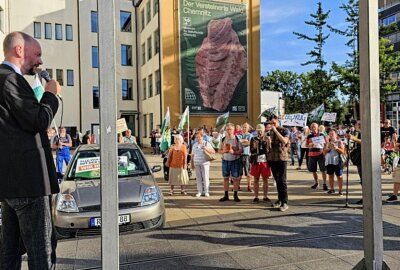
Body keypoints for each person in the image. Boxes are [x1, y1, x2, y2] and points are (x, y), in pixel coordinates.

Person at [0, 31, 61, 269]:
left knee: (10, 252)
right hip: (28, 184)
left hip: (12, 186)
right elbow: (38, 120)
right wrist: (51, 95)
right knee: (42, 253)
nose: (40, 62)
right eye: (37, 54)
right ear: (19, 50)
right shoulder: (9, 80)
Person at [266, 114, 290, 211]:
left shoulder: (285, 130)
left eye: (273, 123)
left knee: (282, 180)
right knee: (277, 180)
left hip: (281, 158)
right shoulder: (270, 132)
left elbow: (284, 141)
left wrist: (275, 130)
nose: (272, 124)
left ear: (277, 121)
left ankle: (285, 202)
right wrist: (267, 141)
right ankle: (279, 200)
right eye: (270, 123)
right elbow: (268, 147)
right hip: (272, 158)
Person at [219, 123, 243, 202]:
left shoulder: (237, 139)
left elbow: (241, 150)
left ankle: (235, 195)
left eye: (230, 129)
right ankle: (226, 195)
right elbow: (219, 150)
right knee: (225, 178)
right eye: (228, 129)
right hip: (225, 160)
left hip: (235, 160)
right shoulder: (223, 139)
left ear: (233, 130)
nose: (229, 131)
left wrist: (233, 152)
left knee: (235, 179)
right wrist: (224, 151)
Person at [250, 124, 271, 203]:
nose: (259, 131)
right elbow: (251, 150)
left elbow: (269, 150)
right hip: (256, 161)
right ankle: (256, 196)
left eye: (261, 130)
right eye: (258, 130)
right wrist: (255, 147)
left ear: (264, 130)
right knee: (256, 179)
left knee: (265, 179)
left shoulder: (267, 139)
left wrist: (268, 142)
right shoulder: (253, 139)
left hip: (265, 161)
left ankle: (265, 196)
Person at [191, 130, 215, 197]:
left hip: (205, 163)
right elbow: (192, 155)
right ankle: (199, 191)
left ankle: (206, 191)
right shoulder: (194, 145)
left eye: (199, 137)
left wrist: (206, 148)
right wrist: (192, 163)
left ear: (202, 137)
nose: (198, 138)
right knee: (198, 178)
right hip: (197, 163)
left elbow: (213, 151)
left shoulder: (206, 143)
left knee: (205, 177)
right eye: (197, 137)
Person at [323, 129, 345, 196]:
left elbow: (343, 152)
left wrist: (336, 148)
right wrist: (329, 148)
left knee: (339, 176)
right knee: (330, 175)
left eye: (332, 134)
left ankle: (340, 190)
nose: (331, 135)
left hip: (337, 161)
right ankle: (332, 189)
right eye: (330, 134)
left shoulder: (339, 142)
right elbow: (324, 153)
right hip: (329, 161)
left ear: (336, 135)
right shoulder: (327, 143)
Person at [306, 122, 328, 190]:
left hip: (321, 154)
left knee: (323, 170)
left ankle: (324, 184)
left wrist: (325, 151)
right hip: (312, 154)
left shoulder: (322, 135)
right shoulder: (309, 136)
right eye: (312, 127)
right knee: (313, 170)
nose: (313, 128)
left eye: (314, 127)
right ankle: (316, 183)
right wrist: (310, 145)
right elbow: (306, 145)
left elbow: (326, 143)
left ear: (317, 127)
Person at [347, 121, 362, 204]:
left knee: (364, 179)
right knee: (362, 179)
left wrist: (354, 138)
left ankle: (367, 196)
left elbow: (365, 141)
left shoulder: (364, 132)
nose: (356, 126)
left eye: (357, 125)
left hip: (364, 157)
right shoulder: (357, 133)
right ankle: (365, 196)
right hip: (359, 158)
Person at [237, 122, 253, 192]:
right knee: (239, 172)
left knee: (248, 172)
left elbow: (250, 143)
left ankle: (249, 186)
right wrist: (245, 141)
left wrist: (244, 142)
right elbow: (238, 142)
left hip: (247, 155)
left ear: (248, 128)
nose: (244, 128)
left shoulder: (250, 135)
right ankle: (237, 186)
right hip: (239, 155)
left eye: (245, 127)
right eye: (243, 127)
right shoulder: (238, 135)